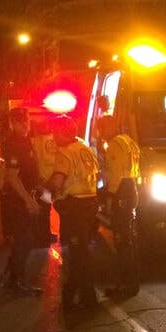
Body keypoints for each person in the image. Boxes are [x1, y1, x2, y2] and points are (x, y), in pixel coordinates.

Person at [48, 117, 100, 310]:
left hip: (75, 206)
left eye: (55, 132)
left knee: (78, 253)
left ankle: (85, 297)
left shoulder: (65, 153)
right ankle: (79, 294)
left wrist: (48, 192)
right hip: (91, 202)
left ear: (63, 132)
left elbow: (58, 182)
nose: (53, 137)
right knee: (82, 250)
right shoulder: (86, 149)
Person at [0, 107, 43, 295]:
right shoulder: (14, 143)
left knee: (24, 239)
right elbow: (13, 176)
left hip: (26, 195)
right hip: (17, 199)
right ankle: (16, 281)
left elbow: (30, 170)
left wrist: (41, 190)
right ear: (13, 124)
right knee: (25, 239)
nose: (25, 124)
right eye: (21, 122)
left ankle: (13, 274)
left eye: (27, 120)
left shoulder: (25, 141)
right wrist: (28, 200)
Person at [98, 114, 141, 298]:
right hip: (132, 189)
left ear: (108, 128)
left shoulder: (115, 144)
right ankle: (130, 282)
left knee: (122, 241)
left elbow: (114, 176)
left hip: (121, 192)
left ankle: (126, 285)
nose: (100, 134)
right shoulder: (129, 141)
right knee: (129, 239)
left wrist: (109, 199)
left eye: (101, 129)